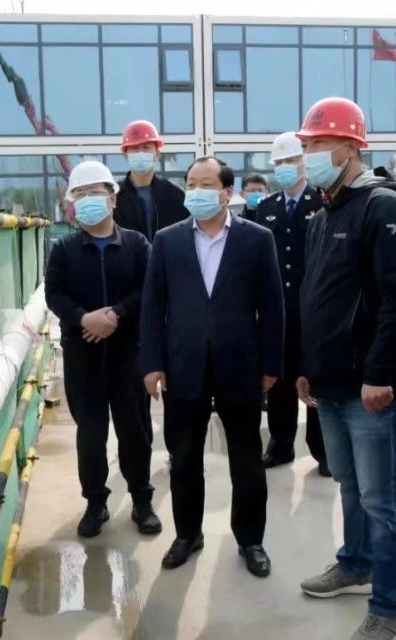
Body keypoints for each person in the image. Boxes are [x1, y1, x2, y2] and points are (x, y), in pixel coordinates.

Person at [296, 98, 396, 640]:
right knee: (349, 484)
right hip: (330, 381)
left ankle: (391, 608)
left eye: (318, 144)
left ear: (350, 147)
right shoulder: (325, 213)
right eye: (306, 145)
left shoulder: (383, 207)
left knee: (384, 500)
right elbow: (318, 297)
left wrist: (380, 374)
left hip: (372, 386)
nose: (308, 154)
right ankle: (355, 563)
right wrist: (308, 366)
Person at [140, 156, 284, 577]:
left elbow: (272, 307)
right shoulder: (167, 240)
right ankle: (187, 535)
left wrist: (271, 363)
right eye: (191, 183)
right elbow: (153, 307)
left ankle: (251, 539)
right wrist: (152, 363)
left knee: (247, 459)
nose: (196, 191)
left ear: (227, 192)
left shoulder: (257, 239)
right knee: (184, 458)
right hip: (183, 365)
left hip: (240, 363)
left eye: (206, 184)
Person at [44, 160, 162, 539]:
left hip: (129, 355)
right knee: (91, 437)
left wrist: (115, 314)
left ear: (112, 199)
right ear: (72, 204)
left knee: (135, 432)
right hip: (83, 358)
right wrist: (83, 318)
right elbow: (54, 294)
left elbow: (149, 289)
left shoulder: (137, 245)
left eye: (95, 192)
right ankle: (95, 503)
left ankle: (142, 500)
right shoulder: (63, 249)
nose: (88, 199)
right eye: (80, 194)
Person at [255, 131, 329, 476]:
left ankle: (323, 449)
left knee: (314, 375)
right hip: (278, 308)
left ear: (304, 162)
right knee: (280, 378)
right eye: (280, 162)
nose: (286, 167)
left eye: (292, 160)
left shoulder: (322, 201)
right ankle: (280, 443)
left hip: (313, 306)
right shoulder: (266, 207)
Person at [113, 120, 190, 242]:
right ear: (125, 155)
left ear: (157, 154)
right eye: (135, 148)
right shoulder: (114, 198)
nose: (140, 153)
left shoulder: (176, 195)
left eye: (146, 148)